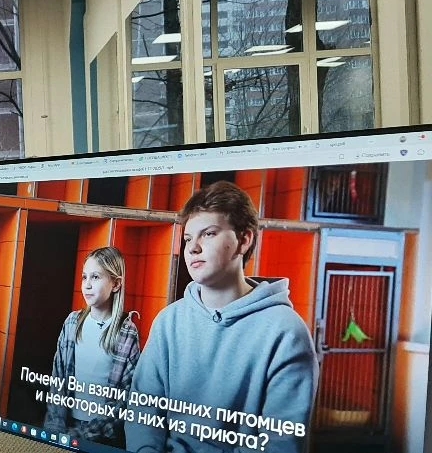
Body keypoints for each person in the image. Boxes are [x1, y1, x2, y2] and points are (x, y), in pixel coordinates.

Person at [125, 181, 318, 453]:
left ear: (244, 240)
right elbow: (142, 415)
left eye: (209, 234)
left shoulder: (286, 332)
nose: (192, 248)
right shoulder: (169, 321)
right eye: (188, 238)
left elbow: (280, 444)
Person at [43, 246, 139, 449]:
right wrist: (54, 432)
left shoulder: (127, 332)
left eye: (95, 277)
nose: (87, 285)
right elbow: (57, 382)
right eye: (84, 277)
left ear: (116, 284)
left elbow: (124, 399)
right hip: (65, 428)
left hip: (104, 438)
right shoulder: (72, 322)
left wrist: (82, 435)